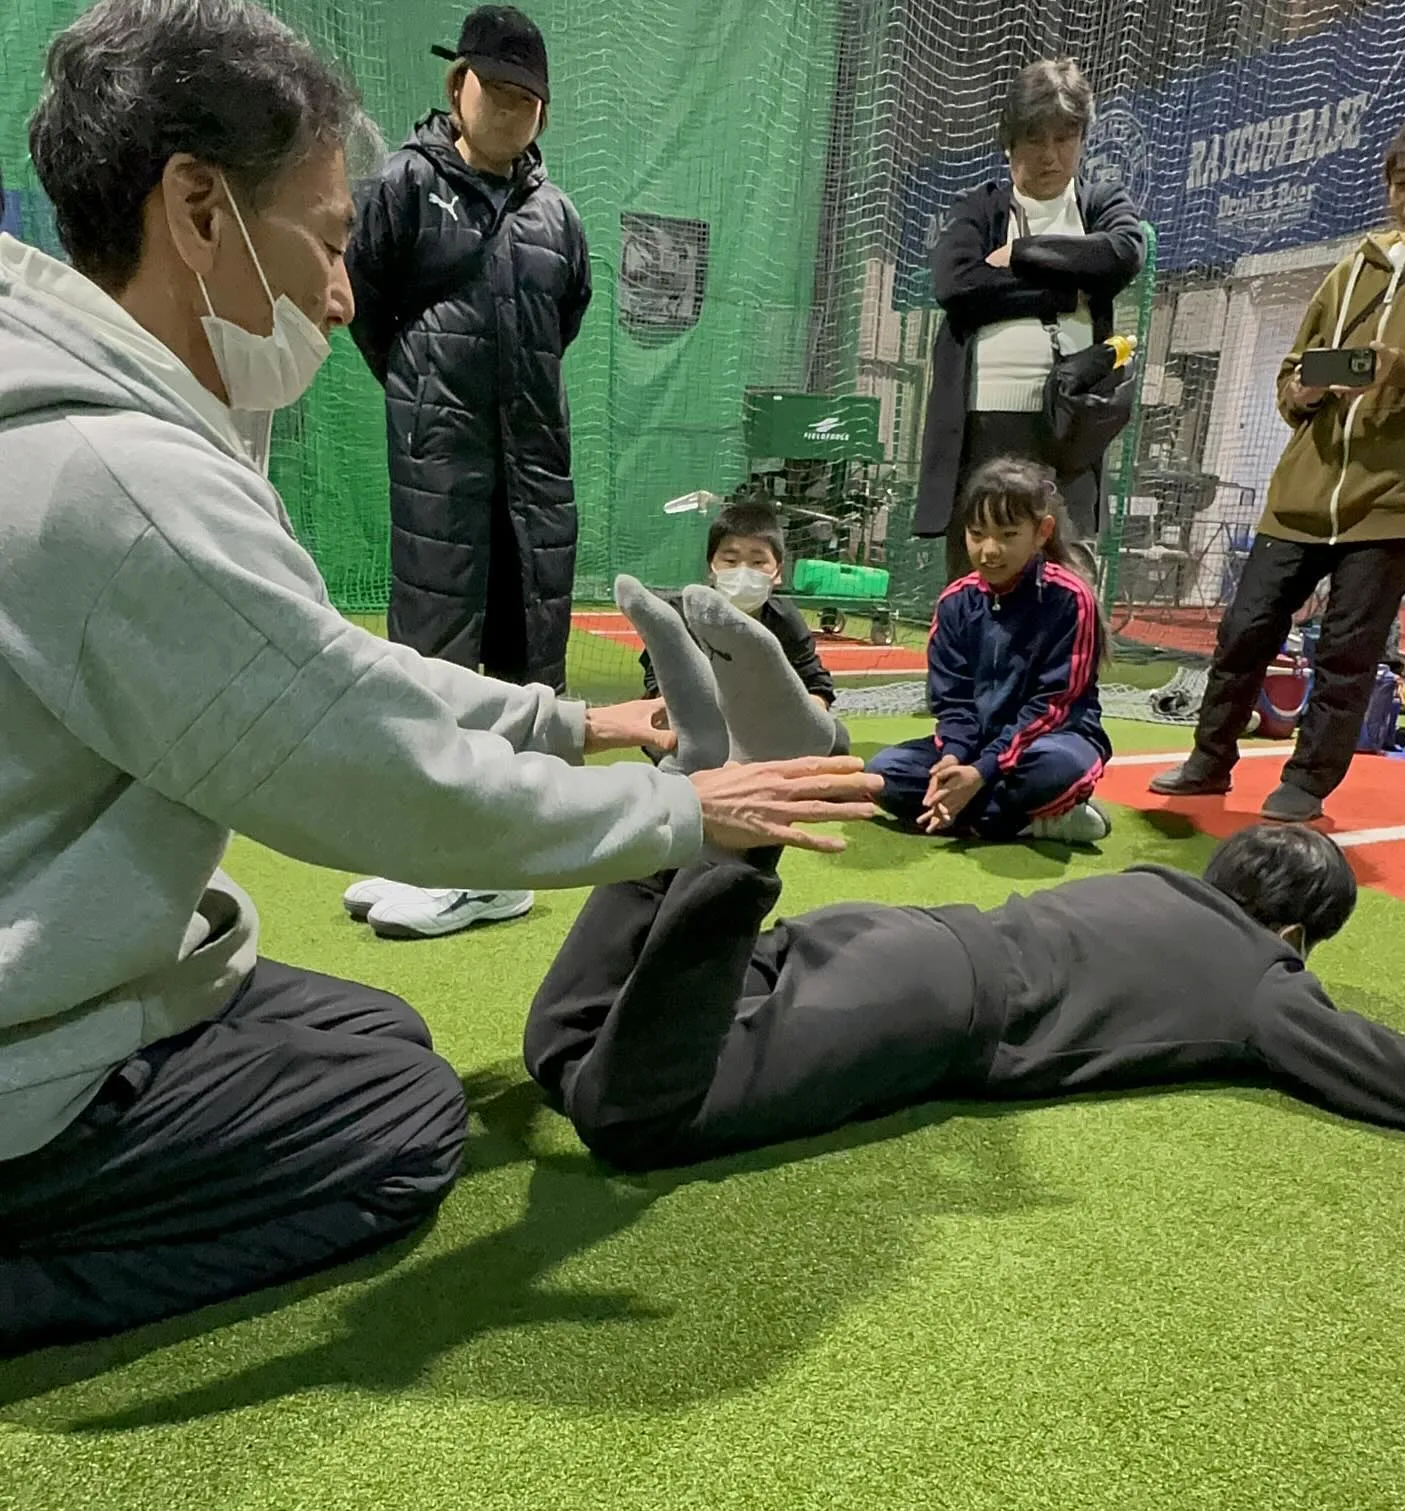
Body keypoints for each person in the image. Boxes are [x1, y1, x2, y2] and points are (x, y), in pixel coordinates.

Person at [0, 0, 877, 1355]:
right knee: (405, 1126)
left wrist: (568, 715)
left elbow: (319, 663)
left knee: (383, 1034)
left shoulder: (75, 398)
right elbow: (370, 761)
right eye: (332, 243)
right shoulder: (125, 481)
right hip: (23, 1051)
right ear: (197, 209)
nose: (343, 291)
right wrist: (684, 816)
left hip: (70, 953)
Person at [525, 597, 1405, 1171]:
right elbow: (1386, 1068)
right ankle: (746, 826)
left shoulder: (1154, 885)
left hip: (877, 936)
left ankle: (692, 785)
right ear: (1290, 936)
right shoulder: (1261, 973)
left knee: (567, 1051)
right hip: (928, 1002)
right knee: (635, 1120)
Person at [342, 6, 591, 939]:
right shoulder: (401, 185)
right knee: (431, 657)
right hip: (439, 466)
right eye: (503, 89)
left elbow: (561, 318)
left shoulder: (557, 215)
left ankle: (496, 865)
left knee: (526, 660)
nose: (518, 109)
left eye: (534, 98)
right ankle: (429, 843)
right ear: (460, 87)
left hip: (535, 472)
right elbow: (366, 307)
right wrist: (430, 402)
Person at [1150, 102, 1405, 824]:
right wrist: (1307, 386)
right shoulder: (1352, 268)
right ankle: (1209, 759)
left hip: (1395, 502)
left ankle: (1307, 782)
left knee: (1348, 646)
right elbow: (1289, 378)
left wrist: (1398, 367)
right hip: (1301, 494)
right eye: (1400, 180)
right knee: (1246, 627)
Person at [914, 57, 1145, 581]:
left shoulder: (1102, 202)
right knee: (977, 584)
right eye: (1035, 138)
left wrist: (1018, 255)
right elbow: (958, 285)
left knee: (1067, 585)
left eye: (1066, 137)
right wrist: (1064, 292)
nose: (1050, 155)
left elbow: (1122, 253)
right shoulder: (978, 209)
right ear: (1010, 142)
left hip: (1067, 429)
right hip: (982, 427)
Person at [869, 458, 1111, 844]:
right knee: (883, 772)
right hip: (975, 746)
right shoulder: (955, 603)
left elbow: (1054, 705)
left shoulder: (1070, 598)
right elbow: (954, 703)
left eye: (1008, 535)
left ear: (1042, 532)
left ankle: (971, 814)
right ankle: (1036, 820)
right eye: (977, 533)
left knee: (1054, 768)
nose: (989, 550)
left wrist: (981, 771)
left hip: (1051, 739)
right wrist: (951, 759)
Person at [638, 500, 851, 755]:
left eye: (758, 562)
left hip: (764, 723)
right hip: (695, 721)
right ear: (711, 568)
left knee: (835, 738)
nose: (743, 572)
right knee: (665, 740)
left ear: (778, 572)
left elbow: (816, 684)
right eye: (730, 560)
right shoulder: (679, 614)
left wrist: (808, 720)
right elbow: (658, 684)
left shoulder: (784, 618)